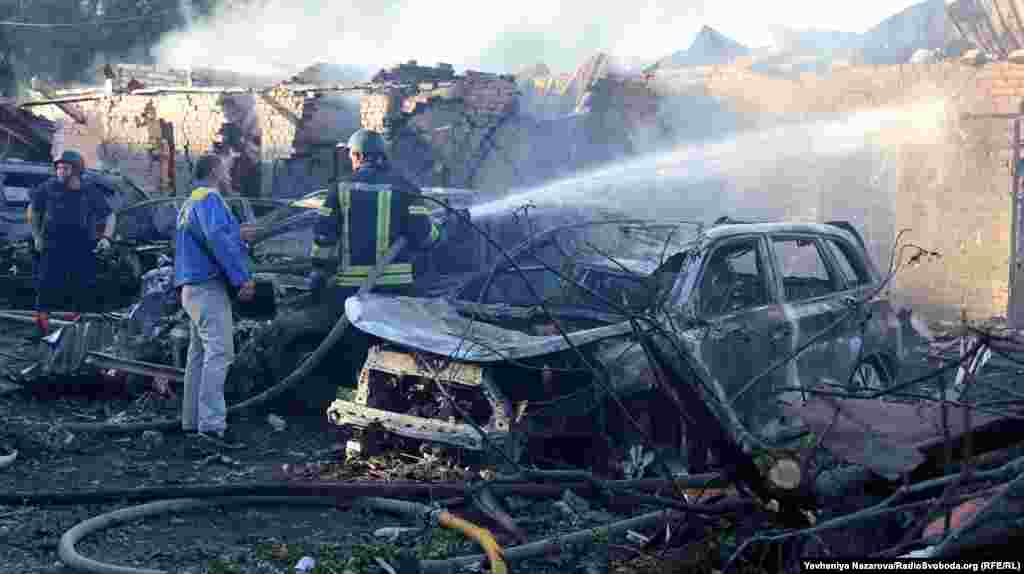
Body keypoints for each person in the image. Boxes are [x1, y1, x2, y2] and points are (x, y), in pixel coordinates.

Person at [306, 128, 445, 306]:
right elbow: (424, 237)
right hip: (397, 289)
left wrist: (319, 270)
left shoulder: (340, 188)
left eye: (351, 156)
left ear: (357, 155)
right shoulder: (406, 188)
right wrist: (439, 232)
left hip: (352, 289)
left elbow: (324, 236)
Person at [174, 154, 255, 449]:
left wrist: (238, 233)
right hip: (208, 287)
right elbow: (218, 239)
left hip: (190, 288)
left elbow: (212, 236)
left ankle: (192, 422)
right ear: (214, 171)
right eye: (225, 170)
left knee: (198, 356)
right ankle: (211, 428)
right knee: (220, 354)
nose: (229, 175)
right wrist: (242, 277)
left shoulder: (190, 202)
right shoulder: (210, 198)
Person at [27, 150, 116, 335]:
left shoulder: (89, 190)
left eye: (65, 168)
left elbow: (109, 215)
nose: (60, 171)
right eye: (58, 168)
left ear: (76, 171)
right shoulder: (47, 188)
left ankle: (77, 332)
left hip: (82, 246)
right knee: (45, 287)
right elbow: (34, 212)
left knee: (81, 289)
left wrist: (106, 238)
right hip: (52, 245)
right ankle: (41, 330)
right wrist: (37, 236)